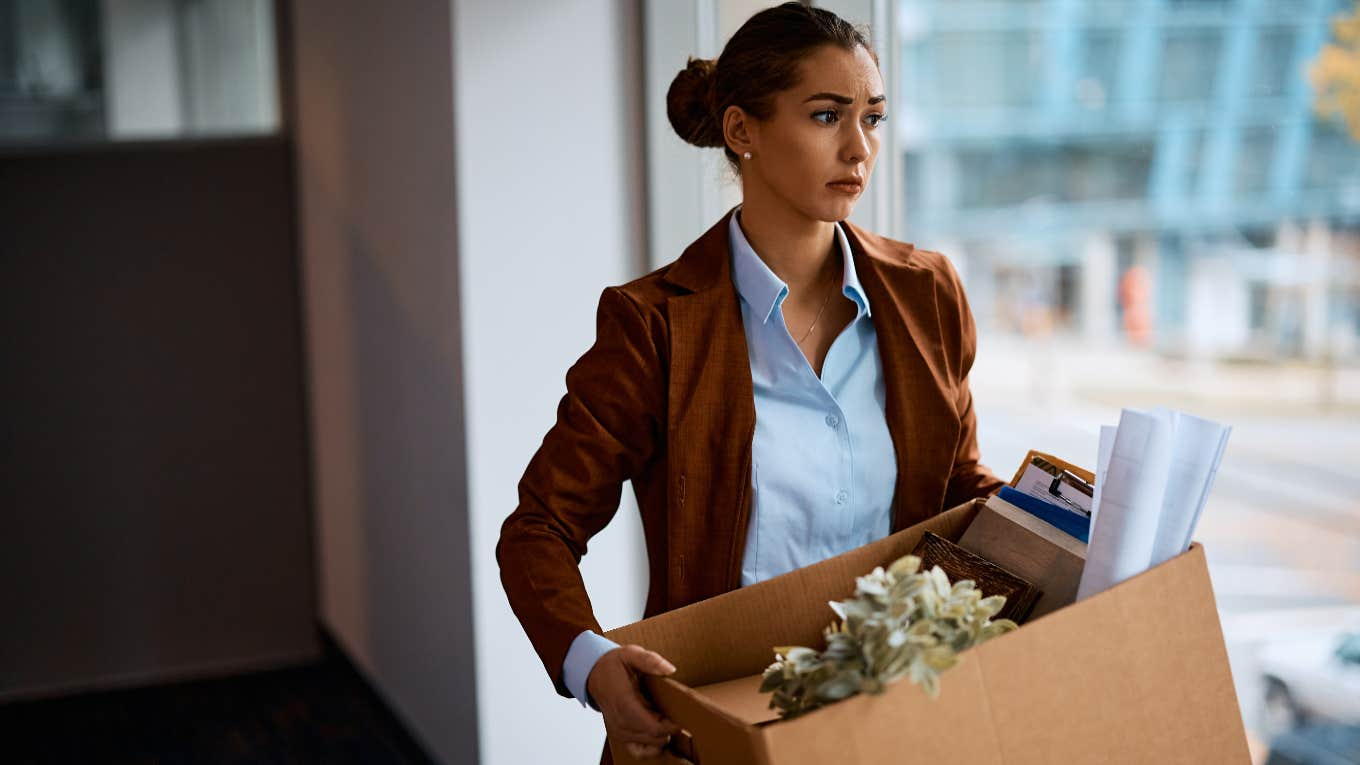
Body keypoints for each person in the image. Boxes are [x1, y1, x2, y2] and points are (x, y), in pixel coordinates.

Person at [495, 4, 1004, 762]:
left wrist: (1062, 531)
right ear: (743, 132)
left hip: (898, 718)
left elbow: (956, 485)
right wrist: (595, 665)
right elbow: (539, 528)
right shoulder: (654, 326)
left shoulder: (926, 292)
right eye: (827, 116)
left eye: (873, 117)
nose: (859, 149)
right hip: (718, 724)